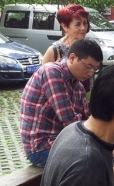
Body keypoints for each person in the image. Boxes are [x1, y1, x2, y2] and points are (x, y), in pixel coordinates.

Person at [20, 38, 102, 167]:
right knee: (94, 164)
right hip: (41, 147)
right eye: (88, 66)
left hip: (64, 143)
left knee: (105, 156)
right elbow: (70, 121)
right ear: (72, 57)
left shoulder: (78, 86)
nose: (90, 73)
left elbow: (88, 119)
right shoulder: (51, 72)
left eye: (95, 69)